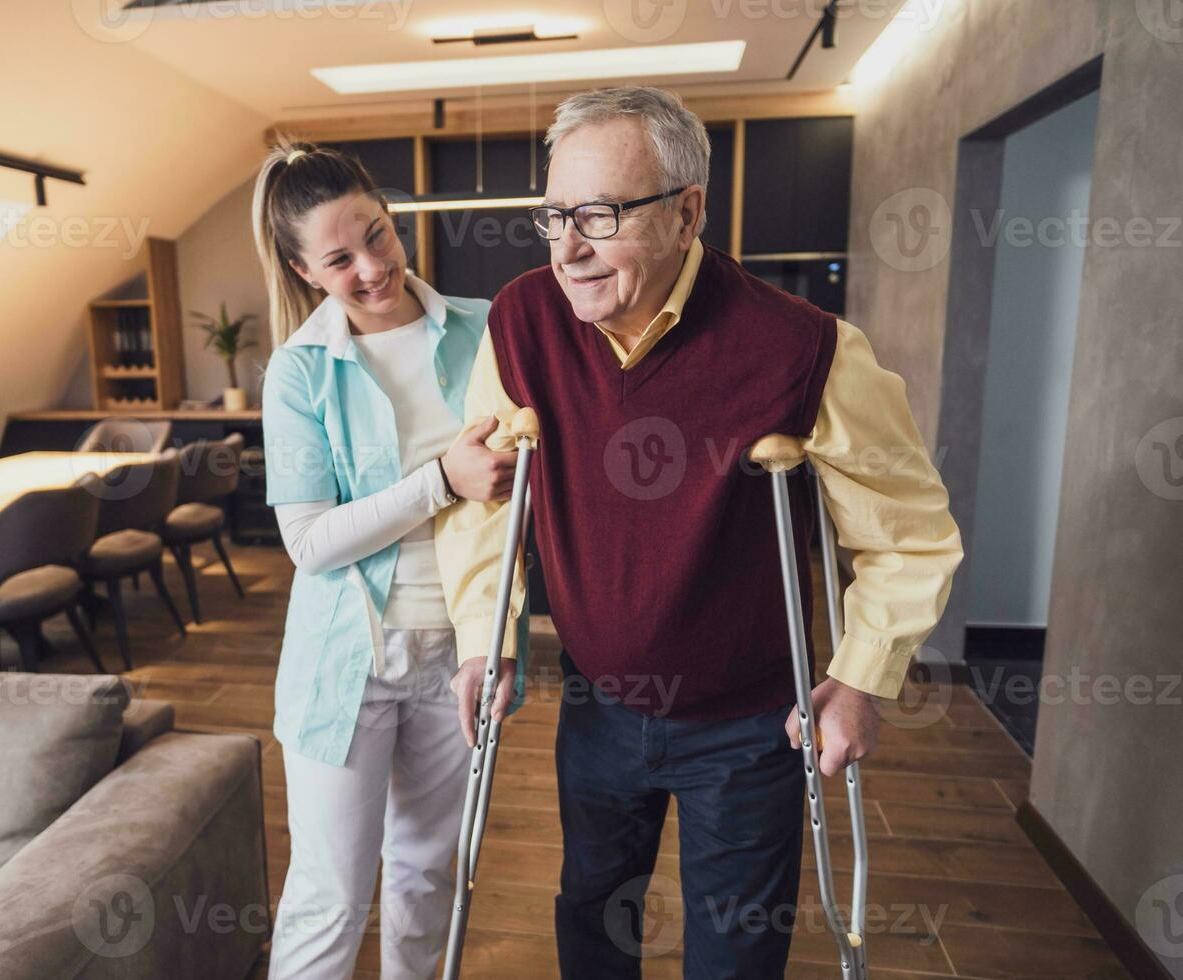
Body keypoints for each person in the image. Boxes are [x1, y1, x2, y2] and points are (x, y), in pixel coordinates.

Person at [437, 86, 964, 978]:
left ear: (688, 213)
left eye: (599, 216)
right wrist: (480, 639)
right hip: (597, 703)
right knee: (593, 922)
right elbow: (495, 499)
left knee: (737, 949)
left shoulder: (803, 347)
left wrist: (862, 678)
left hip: (751, 723)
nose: (568, 249)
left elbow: (908, 534)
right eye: (555, 215)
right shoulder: (522, 322)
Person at [254, 141, 524, 979]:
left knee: (426, 877)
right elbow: (309, 543)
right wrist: (440, 480)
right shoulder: (298, 372)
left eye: (377, 234)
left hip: (458, 651)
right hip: (346, 666)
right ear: (305, 271)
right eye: (340, 258)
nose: (373, 266)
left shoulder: (486, 329)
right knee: (330, 895)